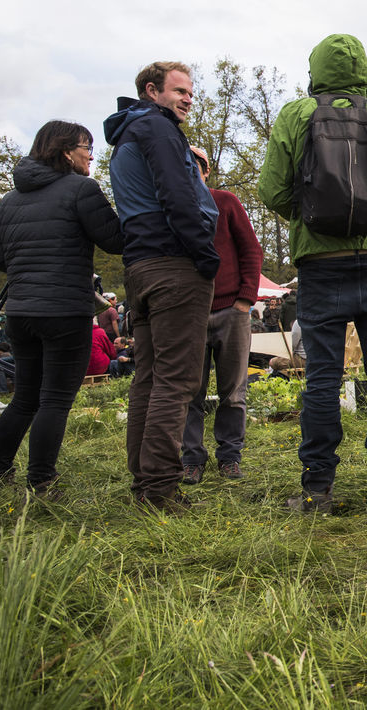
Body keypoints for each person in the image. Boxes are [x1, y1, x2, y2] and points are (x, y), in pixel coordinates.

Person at [257, 33, 367, 513]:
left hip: (320, 263)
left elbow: (272, 191)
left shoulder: (295, 115)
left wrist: (311, 214)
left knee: (322, 377)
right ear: (363, 70)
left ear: (317, 71)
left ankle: (318, 490)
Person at [0, 120, 124, 493]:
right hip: (64, 310)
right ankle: (42, 481)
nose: (91, 155)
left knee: (24, 398)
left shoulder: (8, 201)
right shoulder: (81, 189)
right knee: (56, 400)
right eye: (86, 147)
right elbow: (115, 240)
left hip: (21, 313)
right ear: (66, 151)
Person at [105, 62, 221, 511]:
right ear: (152, 91)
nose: (188, 99)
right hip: (174, 265)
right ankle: (159, 489)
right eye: (179, 91)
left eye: (191, 92)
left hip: (141, 266)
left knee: (150, 378)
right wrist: (205, 255)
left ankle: (145, 481)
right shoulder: (157, 128)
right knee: (176, 380)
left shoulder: (128, 134)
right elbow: (178, 194)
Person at [181, 147, 263, 485]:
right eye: (181, 165)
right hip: (189, 314)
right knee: (189, 392)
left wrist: (245, 299)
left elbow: (251, 249)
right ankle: (191, 459)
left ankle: (229, 457)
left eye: (195, 165)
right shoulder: (171, 207)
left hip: (231, 310)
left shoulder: (225, 202)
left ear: (206, 170)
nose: (189, 171)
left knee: (234, 392)